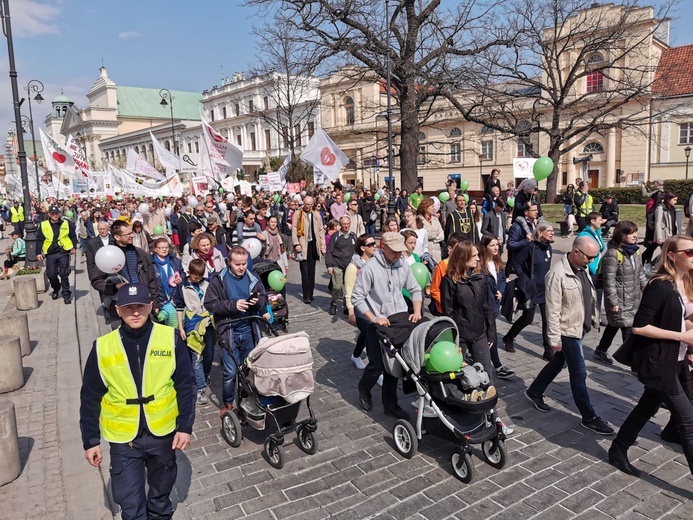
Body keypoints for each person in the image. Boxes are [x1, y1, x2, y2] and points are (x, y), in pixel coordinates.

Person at [79, 282, 194, 520]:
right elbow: (90, 396)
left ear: (151, 307)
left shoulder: (170, 339)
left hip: (162, 434)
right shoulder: (102, 347)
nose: (134, 312)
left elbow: (185, 385)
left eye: (140, 307)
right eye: (128, 307)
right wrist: (90, 440)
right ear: (118, 310)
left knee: (161, 499)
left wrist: (185, 427)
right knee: (130, 505)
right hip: (124, 440)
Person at [609, 235, 693, 477]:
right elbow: (639, 327)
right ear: (671, 256)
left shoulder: (684, 281)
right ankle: (620, 449)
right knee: (688, 422)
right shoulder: (660, 285)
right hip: (660, 361)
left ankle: (618, 448)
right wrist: (682, 337)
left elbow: (679, 320)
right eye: (688, 252)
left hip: (677, 360)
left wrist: (688, 338)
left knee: (647, 406)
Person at [525, 237, 614, 435]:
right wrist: (554, 339)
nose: (592, 261)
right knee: (579, 373)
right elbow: (553, 311)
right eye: (589, 257)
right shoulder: (557, 274)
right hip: (567, 331)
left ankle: (535, 390)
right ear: (576, 251)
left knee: (558, 363)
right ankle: (588, 417)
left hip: (578, 328)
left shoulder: (582, 269)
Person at [352, 232, 423, 420]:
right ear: (383, 248)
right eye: (394, 252)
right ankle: (364, 387)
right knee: (376, 365)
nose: (398, 255)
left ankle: (390, 405)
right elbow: (357, 297)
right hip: (377, 323)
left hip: (399, 320)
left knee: (395, 364)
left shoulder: (403, 266)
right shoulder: (370, 268)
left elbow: (416, 289)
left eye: (401, 251)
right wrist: (373, 318)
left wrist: (417, 311)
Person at [204, 246, 268, 416]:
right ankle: (227, 403)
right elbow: (210, 304)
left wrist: (258, 304)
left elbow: (263, 297)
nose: (241, 267)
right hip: (229, 331)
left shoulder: (252, 276)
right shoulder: (219, 279)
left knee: (248, 370)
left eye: (244, 263)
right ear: (229, 262)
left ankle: (246, 399)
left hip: (249, 330)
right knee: (230, 372)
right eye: (237, 264)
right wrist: (233, 305)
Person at [594, 221, 648, 364]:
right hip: (620, 299)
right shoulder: (613, 254)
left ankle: (601, 349)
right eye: (631, 233)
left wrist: (648, 291)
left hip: (634, 298)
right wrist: (613, 302)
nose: (635, 236)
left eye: (635, 232)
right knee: (628, 330)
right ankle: (634, 364)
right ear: (621, 235)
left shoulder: (635, 251)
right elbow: (609, 281)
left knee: (614, 324)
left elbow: (641, 273)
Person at [441, 240, 496, 379]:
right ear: (463, 257)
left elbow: (487, 306)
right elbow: (448, 311)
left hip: (479, 332)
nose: (478, 259)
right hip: (461, 335)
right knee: (458, 372)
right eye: (474, 256)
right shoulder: (449, 280)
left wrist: (491, 333)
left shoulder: (481, 277)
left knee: (486, 373)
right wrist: (453, 338)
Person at [90, 220, 161, 322]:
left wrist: (155, 302)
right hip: (120, 305)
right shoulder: (107, 255)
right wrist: (114, 287)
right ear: (117, 237)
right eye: (128, 234)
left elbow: (152, 279)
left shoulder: (140, 253)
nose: (132, 236)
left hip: (142, 302)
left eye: (131, 232)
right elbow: (96, 281)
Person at [504, 222, 555, 360]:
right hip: (531, 289)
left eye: (552, 231)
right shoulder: (530, 247)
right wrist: (524, 278)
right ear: (540, 232)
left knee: (547, 319)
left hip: (544, 289)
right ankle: (508, 337)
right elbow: (517, 263)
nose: (552, 233)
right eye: (549, 230)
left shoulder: (549, 247)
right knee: (527, 318)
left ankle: (548, 349)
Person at [175, 258, 214, 405]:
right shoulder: (182, 286)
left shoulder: (208, 283)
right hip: (192, 324)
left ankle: (205, 374)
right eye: (194, 276)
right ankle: (200, 388)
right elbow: (179, 307)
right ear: (189, 272)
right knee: (196, 357)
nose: (197, 279)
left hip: (208, 324)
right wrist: (181, 327)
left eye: (200, 276)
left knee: (209, 354)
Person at [479, 234, 515, 379]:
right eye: (492, 245)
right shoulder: (480, 265)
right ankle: (497, 366)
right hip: (484, 307)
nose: (496, 248)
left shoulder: (497, 263)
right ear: (485, 247)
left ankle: (491, 365)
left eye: (497, 245)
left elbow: (502, 280)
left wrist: (501, 290)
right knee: (490, 336)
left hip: (494, 306)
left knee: (490, 336)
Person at [345, 234, 377, 370]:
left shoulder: (376, 263)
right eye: (371, 244)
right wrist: (351, 313)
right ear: (363, 248)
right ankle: (375, 367)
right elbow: (349, 291)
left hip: (374, 304)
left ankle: (356, 354)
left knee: (367, 334)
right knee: (369, 334)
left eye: (374, 243)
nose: (374, 246)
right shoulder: (353, 267)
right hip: (359, 306)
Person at [36, 205, 77, 305]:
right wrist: (38, 253)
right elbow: (39, 240)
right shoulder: (43, 225)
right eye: (53, 214)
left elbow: (73, 236)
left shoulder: (67, 223)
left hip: (63, 251)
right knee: (51, 275)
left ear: (59, 214)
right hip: (50, 253)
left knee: (64, 274)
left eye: (56, 213)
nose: (55, 215)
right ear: (49, 214)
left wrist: (73, 247)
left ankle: (66, 295)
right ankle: (56, 288)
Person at [292, 196, 327, 304]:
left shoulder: (316, 215)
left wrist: (322, 245)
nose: (307, 206)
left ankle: (311, 293)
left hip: (313, 245)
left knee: (312, 271)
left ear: (313, 204)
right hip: (303, 244)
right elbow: (294, 228)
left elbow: (321, 230)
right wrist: (296, 243)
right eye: (306, 204)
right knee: (305, 271)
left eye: (309, 204)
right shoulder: (298, 214)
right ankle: (306, 294)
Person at [325, 216, 357, 316]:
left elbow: (357, 251)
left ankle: (347, 305)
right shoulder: (336, 236)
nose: (346, 226)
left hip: (349, 265)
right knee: (337, 287)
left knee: (349, 287)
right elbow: (329, 251)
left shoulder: (353, 236)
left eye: (347, 224)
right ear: (340, 225)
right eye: (344, 224)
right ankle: (333, 303)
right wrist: (329, 265)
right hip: (337, 264)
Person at [151, 237, 184, 328]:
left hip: (175, 299)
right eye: (161, 247)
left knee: (176, 326)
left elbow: (182, 272)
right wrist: (155, 304)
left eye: (166, 247)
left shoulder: (174, 260)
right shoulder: (150, 263)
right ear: (155, 249)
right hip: (160, 300)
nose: (164, 249)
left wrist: (181, 278)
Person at [430, 233, 463, 315]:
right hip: (444, 309)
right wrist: (445, 302)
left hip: (460, 309)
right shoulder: (441, 266)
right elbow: (434, 289)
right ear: (449, 249)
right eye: (457, 250)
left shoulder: (464, 265)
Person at [506, 202, 538, 276]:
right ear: (526, 212)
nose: (537, 212)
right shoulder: (517, 227)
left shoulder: (536, 224)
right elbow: (510, 245)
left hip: (535, 261)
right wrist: (525, 241)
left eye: (537, 210)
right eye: (534, 210)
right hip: (524, 264)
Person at [417, 198, 445, 264]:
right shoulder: (419, 219)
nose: (434, 208)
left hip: (437, 252)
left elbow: (442, 234)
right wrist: (435, 234)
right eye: (432, 206)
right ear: (425, 208)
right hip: (427, 253)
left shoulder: (435, 219)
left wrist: (434, 239)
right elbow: (422, 234)